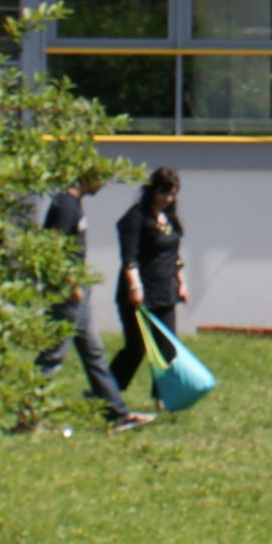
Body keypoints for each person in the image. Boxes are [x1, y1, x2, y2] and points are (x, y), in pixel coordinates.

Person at [33, 172, 155, 432]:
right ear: (88, 176)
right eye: (101, 179)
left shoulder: (73, 204)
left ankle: (116, 413)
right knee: (52, 356)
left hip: (79, 290)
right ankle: (27, 414)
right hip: (68, 292)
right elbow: (51, 248)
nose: (103, 186)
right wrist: (69, 282)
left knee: (93, 353)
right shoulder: (65, 205)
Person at [110, 167, 189, 402]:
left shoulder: (170, 219)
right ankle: (107, 391)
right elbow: (129, 257)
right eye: (164, 193)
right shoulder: (135, 218)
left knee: (167, 347)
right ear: (152, 190)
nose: (168, 199)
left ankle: (162, 397)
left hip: (165, 292)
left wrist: (181, 283)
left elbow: (175, 255)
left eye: (172, 194)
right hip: (139, 294)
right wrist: (135, 287)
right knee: (136, 348)